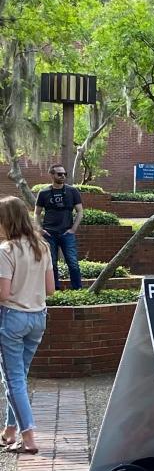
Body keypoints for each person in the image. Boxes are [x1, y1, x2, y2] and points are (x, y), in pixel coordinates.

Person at [0, 196, 55, 455]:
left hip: (12, 318)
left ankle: (29, 438)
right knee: (19, 377)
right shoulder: (42, 247)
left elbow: (3, 293)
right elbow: (51, 290)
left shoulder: (6, 251)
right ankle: (10, 430)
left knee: (13, 381)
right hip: (38, 318)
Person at [34, 165, 83, 290]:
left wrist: (73, 229)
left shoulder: (72, 191)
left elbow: (80, 212)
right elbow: (37, 213)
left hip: (67, 233)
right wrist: (40, 229)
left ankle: (77, 289)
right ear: (52, 175)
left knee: (73, 263)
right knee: (52, 263)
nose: (63, 176)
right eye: (59, 174)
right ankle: (54, 288)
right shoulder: (44, 193)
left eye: (64, 174)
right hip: (49, 233)